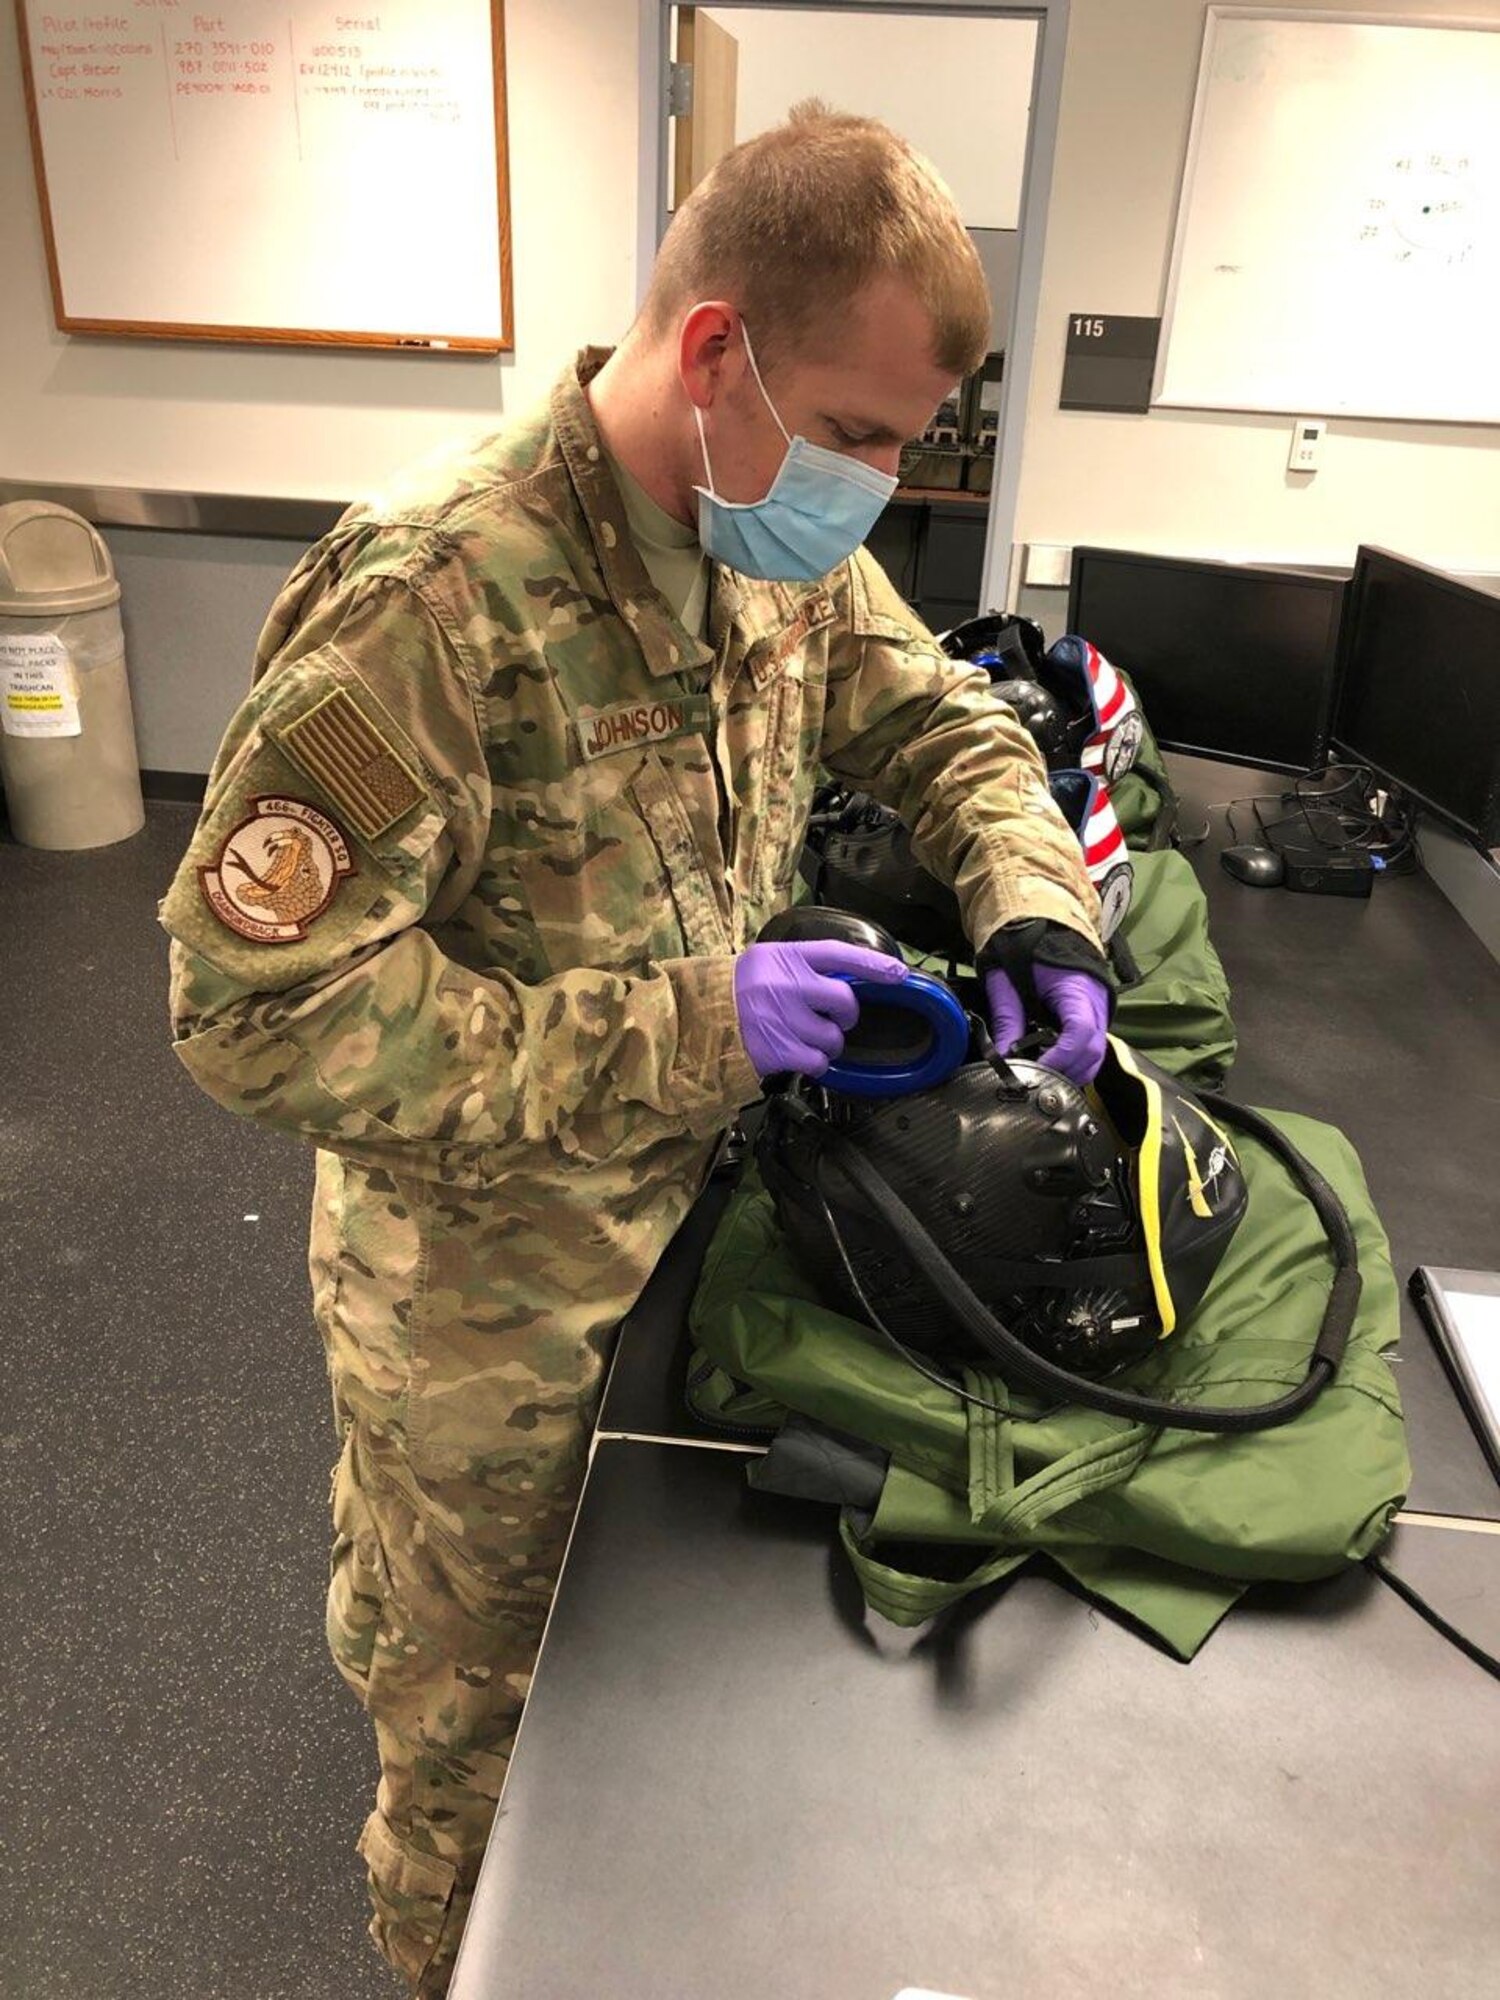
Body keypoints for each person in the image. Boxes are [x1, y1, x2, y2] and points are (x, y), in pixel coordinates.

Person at [158, 102, 1110, 1997]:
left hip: (694, 1250)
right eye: (857, 433)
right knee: (482, 1764)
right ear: (712, 352)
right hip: (485, 1318)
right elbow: (248, 1016)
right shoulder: (437, 597)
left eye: (904, 447)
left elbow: (940, 724)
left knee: (659, 1743)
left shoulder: (765, 537)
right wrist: (694, 1023)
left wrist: (1033, 905)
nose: (877, 483)